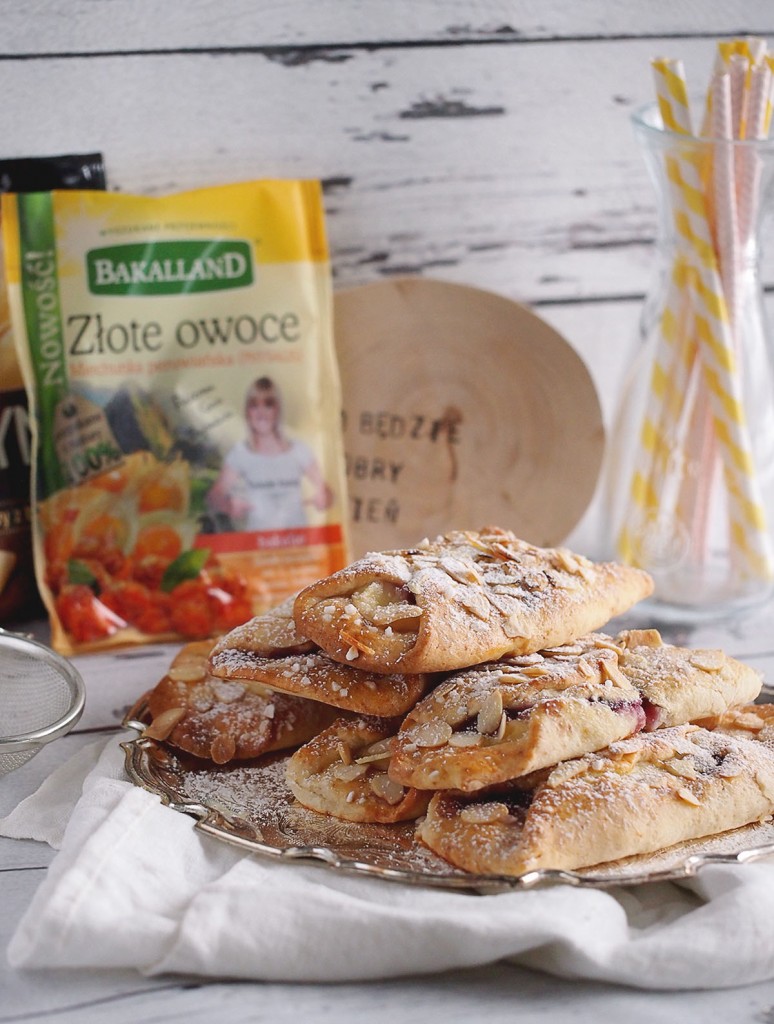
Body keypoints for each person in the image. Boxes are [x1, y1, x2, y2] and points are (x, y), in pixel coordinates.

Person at [208, 377, 333, 531]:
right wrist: (228, 506)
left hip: (299, 546)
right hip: (257, 546)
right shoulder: (240, 454)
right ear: (247, 412)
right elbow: (214, 497)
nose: (261, 412)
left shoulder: (300, 451)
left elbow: (327, 493)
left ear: (277, 409)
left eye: (268, 404)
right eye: (254, 405)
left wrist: (322, 497)